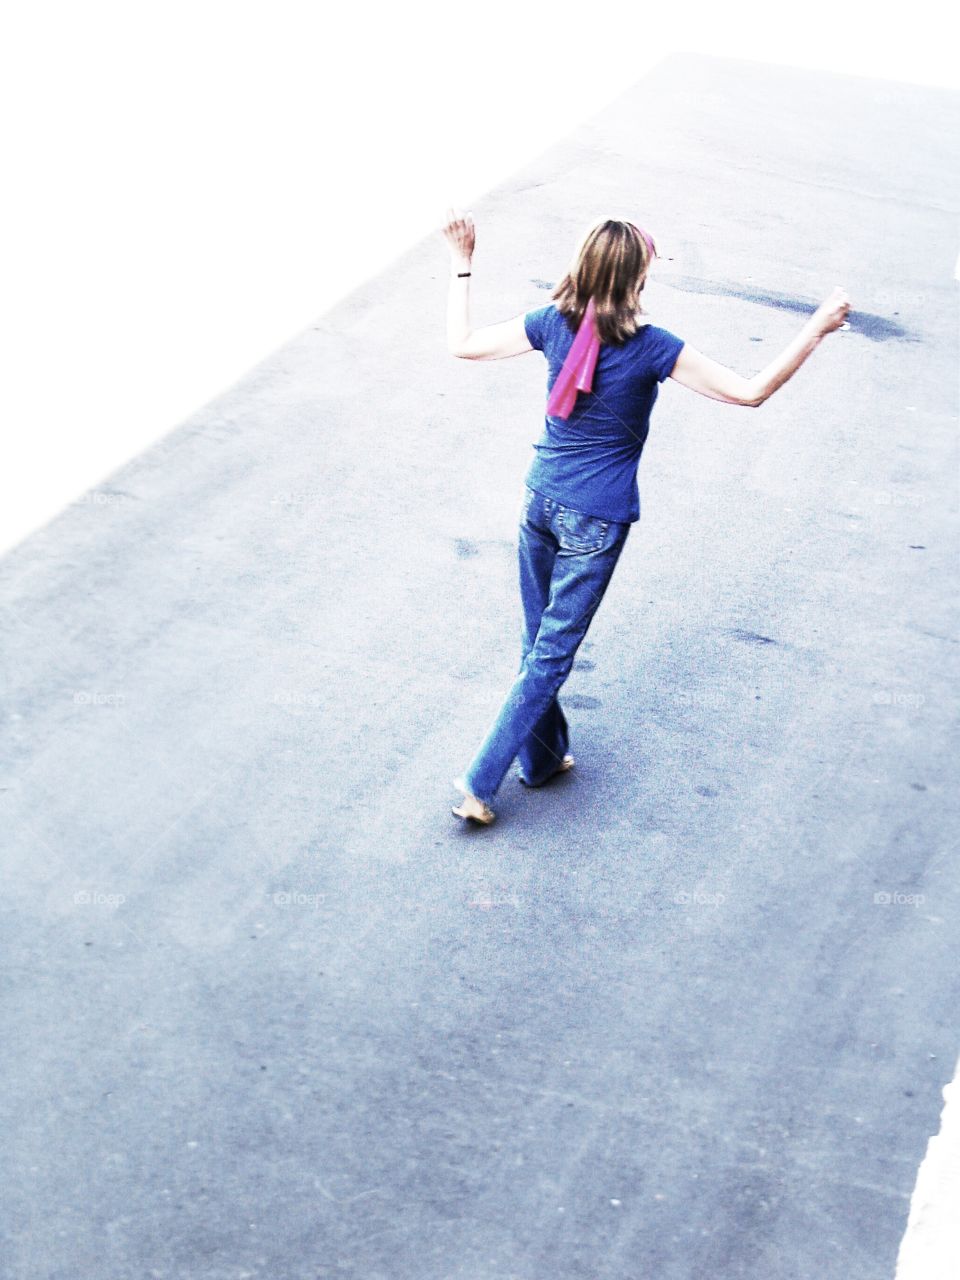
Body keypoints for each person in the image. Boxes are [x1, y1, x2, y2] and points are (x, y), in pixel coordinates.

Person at [441, 208, 851, 825]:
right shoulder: (654, 347)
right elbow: (750, 391)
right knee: (550, 655)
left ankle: (543, 759)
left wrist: (461, 260)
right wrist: (815, 330)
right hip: (595, 520)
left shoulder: (552, 322)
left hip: (540, 501)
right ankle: (480, 782)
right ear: (636, 279)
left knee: (537, 643)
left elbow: (463, 346)